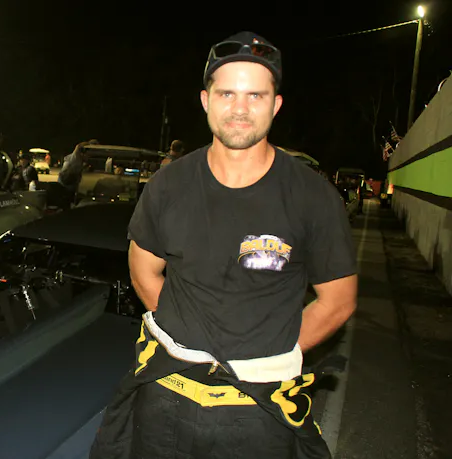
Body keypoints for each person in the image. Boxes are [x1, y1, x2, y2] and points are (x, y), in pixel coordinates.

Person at [90, 31, 358, 459]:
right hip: (165, 396)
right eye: (227, 93)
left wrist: (265, 355)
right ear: (206, 100)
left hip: (258, 411)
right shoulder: (168, 185)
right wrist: (189, 336)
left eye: (255, 96)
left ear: (276, 105)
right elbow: (143, 271)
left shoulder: (313, 197)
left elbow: (337, 301)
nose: (239, 108)